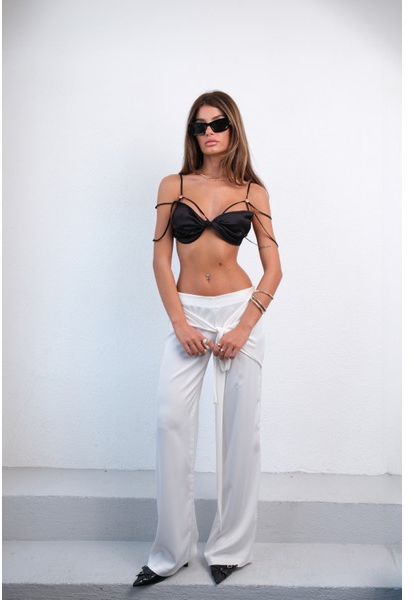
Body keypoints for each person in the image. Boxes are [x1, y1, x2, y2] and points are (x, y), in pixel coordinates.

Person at [133, 90, 283, 587]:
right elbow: (160, 261)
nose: (209, 132)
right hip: (189, 314)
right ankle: (171, 551)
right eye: (200, 126)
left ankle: (232, 548)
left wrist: (243, 327)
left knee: (240, 433)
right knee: (170, 422)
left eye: (218, 124)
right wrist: (180, 323)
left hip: (239, 313)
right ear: (192, 134)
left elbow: (274, 269)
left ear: (233, 128)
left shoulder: (252, 192)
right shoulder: (173, 185)